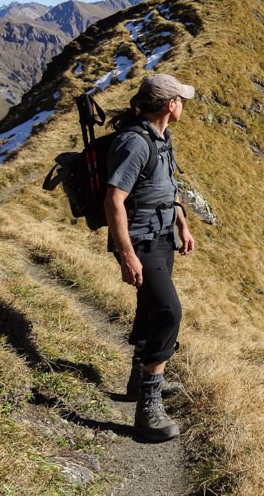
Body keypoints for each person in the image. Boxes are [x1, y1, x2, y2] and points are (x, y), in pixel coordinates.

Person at [104, 73, 195, 442]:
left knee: (149, 307)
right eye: (181, 100)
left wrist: (183, 226)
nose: (184, 105)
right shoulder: (135, 143)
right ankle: (148, 409)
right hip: (140, 240)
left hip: (162, 236)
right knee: (168, 312)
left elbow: (165, 188)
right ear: (170, 105)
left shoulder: (162, 138)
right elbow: (114, 198)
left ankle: (136, 381)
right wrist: (126, 254)